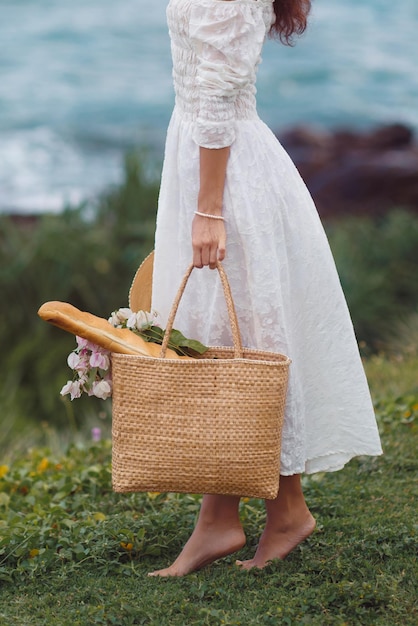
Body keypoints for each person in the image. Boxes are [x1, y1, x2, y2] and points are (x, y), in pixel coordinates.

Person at [148, 0, 382, 576]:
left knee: (242, 343)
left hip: (223, 180)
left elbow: (219, 91)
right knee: (223, 337)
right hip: (205, 162)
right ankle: (231, 516)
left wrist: (207, 209)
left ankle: (266, 515)